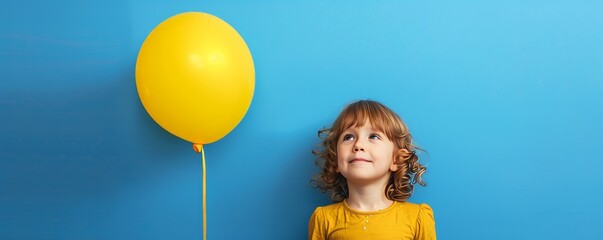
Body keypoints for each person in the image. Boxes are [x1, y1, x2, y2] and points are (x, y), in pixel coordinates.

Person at [309, 100, 436, 240]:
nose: (358, 144)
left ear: (396, 159)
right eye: (348, 137)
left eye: (373, 136)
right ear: (335, 161)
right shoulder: (323, 219)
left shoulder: (417, 218)